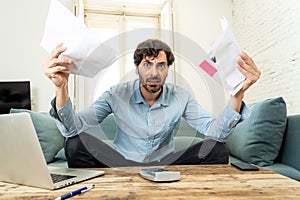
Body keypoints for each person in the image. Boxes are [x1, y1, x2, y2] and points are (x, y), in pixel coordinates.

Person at [43, 39, 261, 168]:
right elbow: (74, 128)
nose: (154, 73)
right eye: (147, 65)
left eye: (161, 65)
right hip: (121, 164)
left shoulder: (181, 96)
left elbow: (216, 133)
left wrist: (237, 93)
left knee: (216, 148)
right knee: (74, 143)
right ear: (137, 68)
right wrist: (61, 87)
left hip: (166, 164)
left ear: (168, 69)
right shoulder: (115, 94)